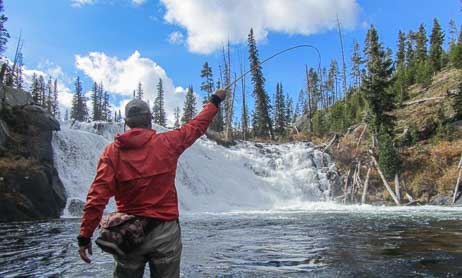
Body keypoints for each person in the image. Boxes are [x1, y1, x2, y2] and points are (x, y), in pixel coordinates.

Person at [77, 89, 227, 277]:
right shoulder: (168, 142)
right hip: (165, 230)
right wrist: (214, 101)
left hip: (128, 232)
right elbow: (196, 126)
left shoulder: (112, 152)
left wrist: (85, 236)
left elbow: (96, 197)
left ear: (126, 123)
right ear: (149, 118)